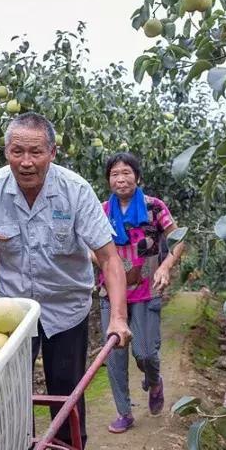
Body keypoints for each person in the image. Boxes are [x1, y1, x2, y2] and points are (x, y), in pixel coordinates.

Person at [0, 112, 132, 450]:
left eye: (36, 151)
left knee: (65, 387)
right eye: (17, 151)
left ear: (52, 152)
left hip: (66, 307)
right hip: (13, 311)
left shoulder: (74, 191)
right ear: (6, 151)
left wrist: (119, 318)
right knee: (9, 392)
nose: (26, 161)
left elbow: (109, 259)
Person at [97, 152, 184, 433]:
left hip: (147, 289)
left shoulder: (154, 208)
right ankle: (124, 412)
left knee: (146, 353)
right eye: (114, 174)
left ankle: (154, 380)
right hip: (110, 293)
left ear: (137, 177)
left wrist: (166, 266)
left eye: (126, 173)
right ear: (109, 180)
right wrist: (99, 262)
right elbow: (87, 245)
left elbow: (178, 239)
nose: (120, 178)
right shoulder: (101, 212)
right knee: (115, 356)